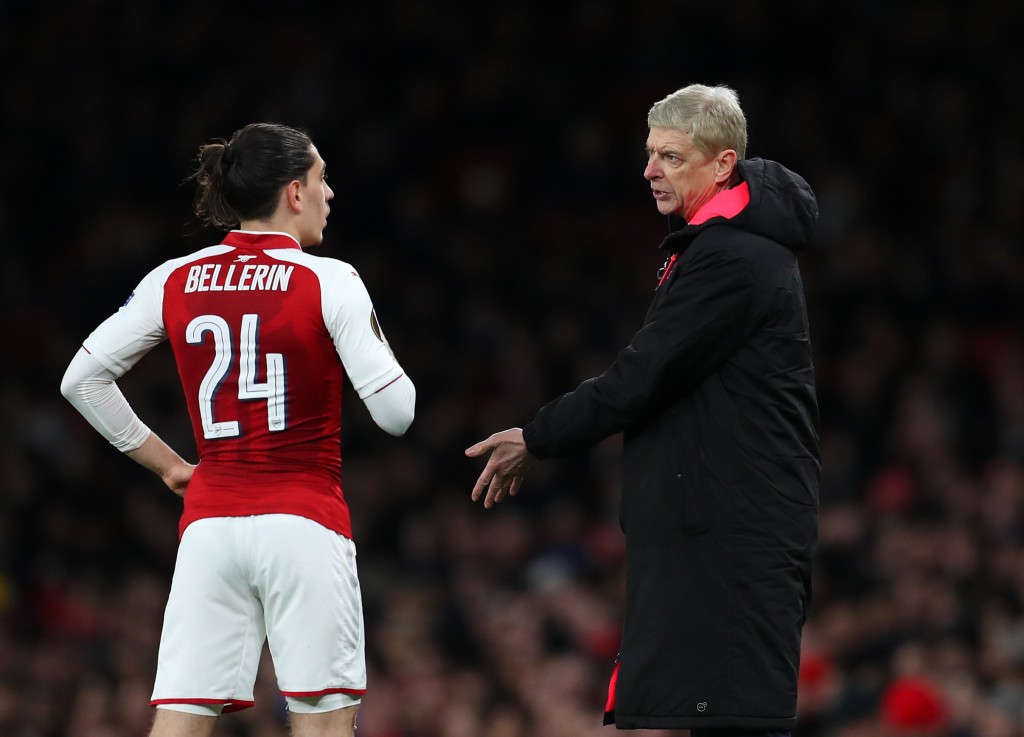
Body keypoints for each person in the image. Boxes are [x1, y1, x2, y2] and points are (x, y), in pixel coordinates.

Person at [466, 83, 820, 735]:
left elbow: (639, 379)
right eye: (651, 153)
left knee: (740, 722)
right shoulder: (720, 246)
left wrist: (536, 437)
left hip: (736, 536)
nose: (650, 170)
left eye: (671, 157)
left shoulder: (733, 258)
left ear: (723, 165)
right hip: (726, 528)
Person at [61, 122, 415, 737]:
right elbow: (396, 413)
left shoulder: (175, 277)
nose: (330, 193)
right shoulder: (330, 280)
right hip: (304, 520)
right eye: (322, 179)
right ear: (294, 192)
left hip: (209, 528)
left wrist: (171, 467)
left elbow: (81, 381)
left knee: (179, 723)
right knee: (323, 725)